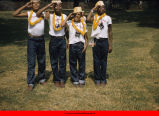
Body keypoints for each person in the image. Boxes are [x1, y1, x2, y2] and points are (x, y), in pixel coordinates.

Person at [12, 0, 46, 91]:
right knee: (31, 61)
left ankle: (42, 78)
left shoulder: (44, 13)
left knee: (42, 60)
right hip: (32, 40)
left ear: (40, 4)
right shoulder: (29, 13)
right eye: (33, 3)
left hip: (41, 39)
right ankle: (31, 82)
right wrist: (24, 6)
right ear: (31, 5)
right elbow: (14, 14)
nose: (36, 4)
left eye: (38, 3)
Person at [37, 0, 67, 88]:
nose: (58, 7)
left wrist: (68, 40)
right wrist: (49, 5)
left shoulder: (64, 16)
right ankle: (56, 79)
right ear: (53, 7)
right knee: (54, 60)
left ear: (62, 7)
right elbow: (38, 13)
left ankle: (62, 79)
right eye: (56, 6)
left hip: (62, 40)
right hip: (53, 40)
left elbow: (67, 29)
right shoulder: (49, 15)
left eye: (60, 6)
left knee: (62, 60)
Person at [87, 1, 113, 86]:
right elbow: (87, 19)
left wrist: (110, 44)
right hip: (95, 41)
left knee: (103, 61)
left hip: (104, 40)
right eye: (100, 7)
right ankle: (97, 78)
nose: (103, 8)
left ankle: (103, 78)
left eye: (103, 7)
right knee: (96, 60)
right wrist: (92, 10)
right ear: (97, 8)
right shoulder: (95, 17)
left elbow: (110, 31)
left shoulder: (108, 18)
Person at [62, 7, 88, 87]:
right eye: (75, 14)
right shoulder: (69, 23)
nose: (77, 15)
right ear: (73, 15)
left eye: (79, 14)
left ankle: (81, 78)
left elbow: (86, 36)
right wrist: (69, 15)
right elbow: (62, 24)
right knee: (72, 63)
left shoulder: (83, 23)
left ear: (81, 15)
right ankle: (75, 79)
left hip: (80, 45)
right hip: (72, 45)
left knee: (81, 63)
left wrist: (86, 45)